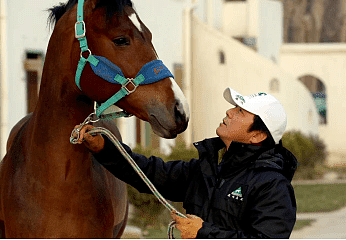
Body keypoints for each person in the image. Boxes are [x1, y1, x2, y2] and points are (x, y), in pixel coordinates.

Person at [75, 87, 297, 238]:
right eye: (234, 107)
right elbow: (150, 173)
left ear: (257, 136)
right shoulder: (208, 169)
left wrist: (203, 233)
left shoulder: (273, 186)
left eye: (240, 112)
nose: (229, 111)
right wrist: (105, 148)